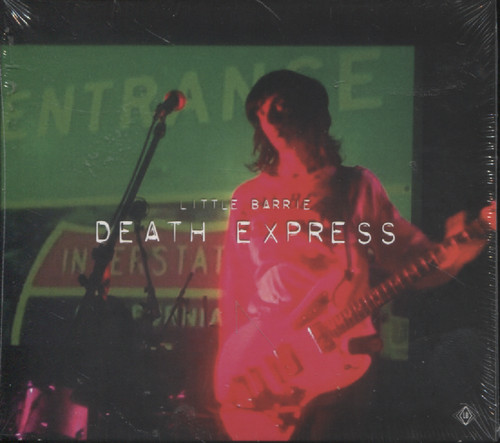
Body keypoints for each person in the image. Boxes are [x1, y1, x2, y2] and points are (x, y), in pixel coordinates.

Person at [214, 70, 492, 441]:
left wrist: (462, 246)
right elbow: (233, 288)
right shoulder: (248, 197)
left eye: (280, 106)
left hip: (344, 360)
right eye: (260, 112)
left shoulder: (356, 185)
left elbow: (410, 258)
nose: (269, 118)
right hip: (269, 365)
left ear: (314, 113)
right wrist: (232, 367)